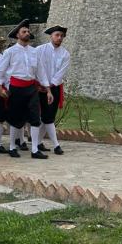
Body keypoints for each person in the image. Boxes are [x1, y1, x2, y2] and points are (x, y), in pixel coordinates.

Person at [0, 18, 52, 159]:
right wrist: (0, 87)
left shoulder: (35, 52)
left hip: (31, 88)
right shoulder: (10, 52)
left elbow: (41, 72)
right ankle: (12, 147)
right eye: (24, 31)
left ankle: (34, 150)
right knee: (16, 119)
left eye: (28, 31)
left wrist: (48, 89)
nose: (27, 33)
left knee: (35, 118)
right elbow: (0, 71)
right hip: (16, 88)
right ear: (17, 35)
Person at [36, 25, 70, 155]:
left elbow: (61, 73)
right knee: (46, 117)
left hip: (54, 87)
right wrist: (43, 84)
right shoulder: (40, 50)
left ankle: (38, 142)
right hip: (40, 87)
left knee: (49, 116)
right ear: (51, 36)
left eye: (61, 36)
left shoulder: (65, 54)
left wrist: (50, 85)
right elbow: (38, 68)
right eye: (57, 35)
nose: (59, 38)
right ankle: (56, 145)